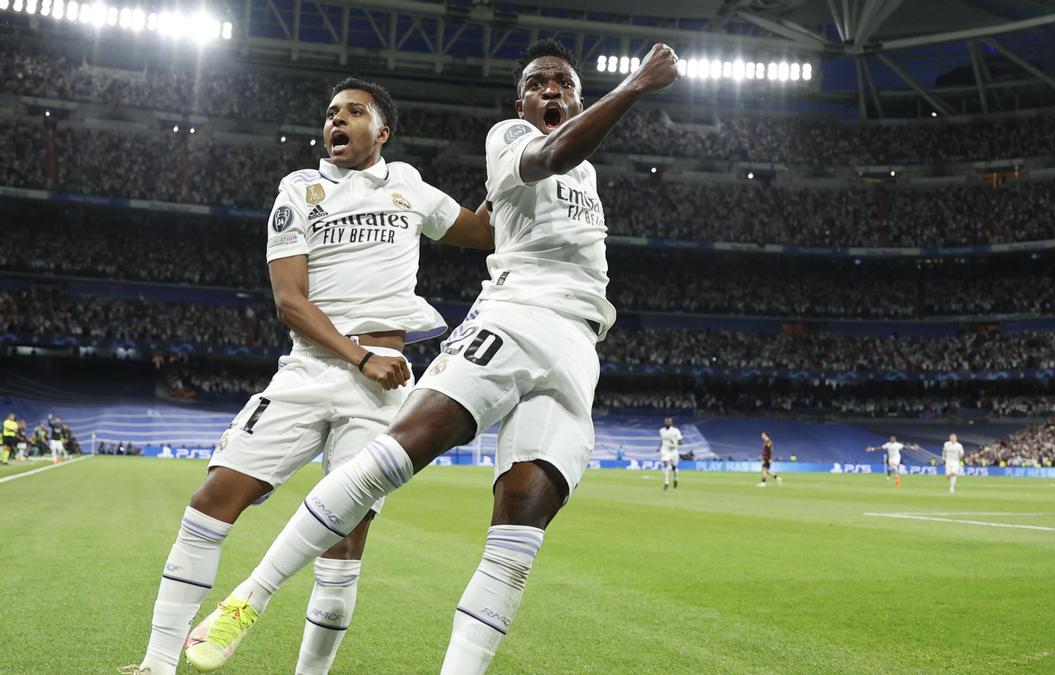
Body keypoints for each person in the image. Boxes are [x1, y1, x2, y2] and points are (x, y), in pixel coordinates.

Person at [179, 39, 680, 674]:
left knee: (521, 525)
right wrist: (634, 86)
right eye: (537, 83)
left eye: (562, 83)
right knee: (398, 451)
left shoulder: (588, 171)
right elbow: (552, 151)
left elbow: (518, 198)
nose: (550, 90)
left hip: (582, 344)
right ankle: (249, 599)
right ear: (520, 100)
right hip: (516, 316)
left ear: (577, 97)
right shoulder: (509, 137)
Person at [119, 77, 494, 675]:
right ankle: (158, 664)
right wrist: (359, 355)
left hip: (380, 389)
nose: (336, 122)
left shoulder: (411, 188)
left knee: (344, 546)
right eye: (330, 114)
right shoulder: (300, 189)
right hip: (311, 369)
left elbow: (484, 231)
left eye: (353, 112)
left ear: (383, 130)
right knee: (211, 500)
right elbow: (289, 301)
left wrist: (518, 170)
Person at [658, 417, 682, 490]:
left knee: (674, 468)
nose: (667, 423)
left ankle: (676, 479)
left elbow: (680, 441)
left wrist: (674, 443)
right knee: (665, 464)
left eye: (668, 422)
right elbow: (662, 440)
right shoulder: (661, 430)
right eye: (666, 422)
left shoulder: (676, 431)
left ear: (671, 423)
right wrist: (659, 447)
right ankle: (666, 483)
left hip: (674, 451)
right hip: (665, 450)